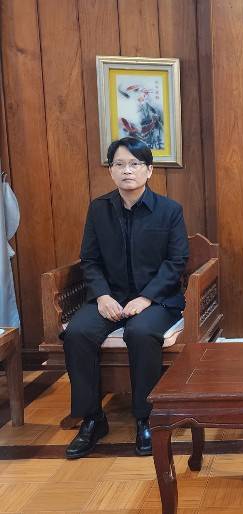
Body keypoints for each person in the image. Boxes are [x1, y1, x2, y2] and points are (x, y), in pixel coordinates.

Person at [62, 137, 189, 459]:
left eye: (135, 164)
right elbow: (90, 260)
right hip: (110, 297)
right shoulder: (99, 209)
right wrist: (102, 296)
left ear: (149, 170)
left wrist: (146, 298)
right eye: (119, 164)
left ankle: (145, 418)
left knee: (141, 332)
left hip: (158, 299)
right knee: (77, 333)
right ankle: (92, 419)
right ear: (111, 171)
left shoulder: (169, 210)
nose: (127, 171)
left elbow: (176, 262)